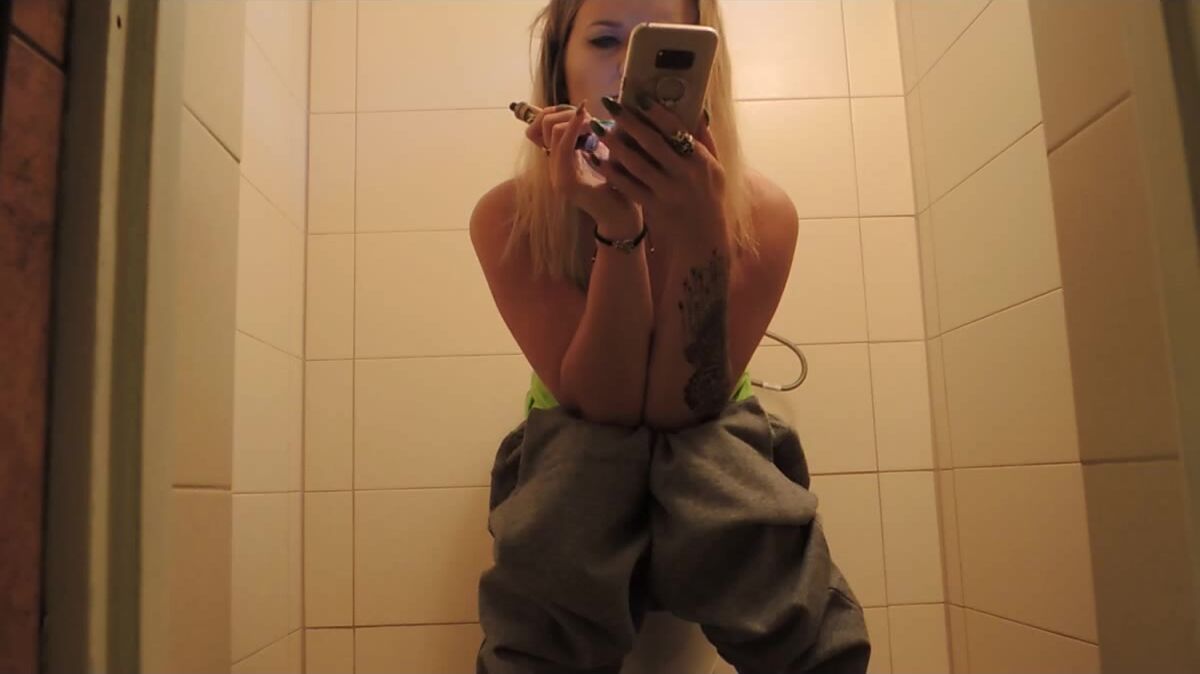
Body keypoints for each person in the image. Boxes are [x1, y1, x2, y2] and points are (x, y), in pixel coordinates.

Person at [470, 1, 871, 672]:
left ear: (709, 69)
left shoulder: (762, 213)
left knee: (725, 483)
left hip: (708, 428)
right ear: (558, 69)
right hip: (577, 436)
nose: (630, 71)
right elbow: (605, 413)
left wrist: (700, 232)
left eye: (663, 46)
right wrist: (617, 226)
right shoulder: (508, 216)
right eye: (605, 41)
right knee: (566, 505)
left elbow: (681, 412)